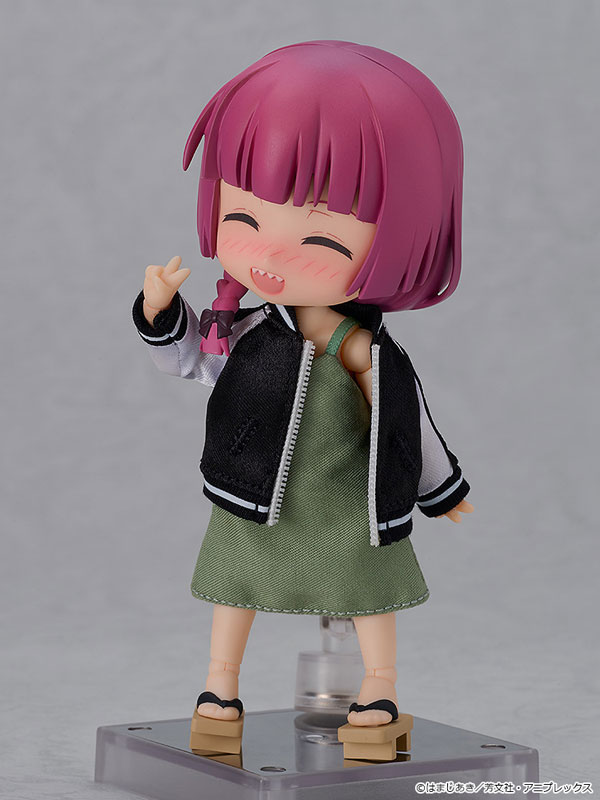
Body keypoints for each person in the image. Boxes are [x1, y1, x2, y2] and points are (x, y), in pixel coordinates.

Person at [132, 40, 473, 751]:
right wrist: (163, 315)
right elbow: (194, 365)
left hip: (346, 499)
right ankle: (219, 686)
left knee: (368, 590)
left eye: (320, 239)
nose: (270, 255)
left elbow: (408, 423)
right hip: (256, 490)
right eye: (244, 221)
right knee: (236, 584)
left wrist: (440, 490)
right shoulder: (250, 331)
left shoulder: (368, 351)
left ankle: (379, 687)